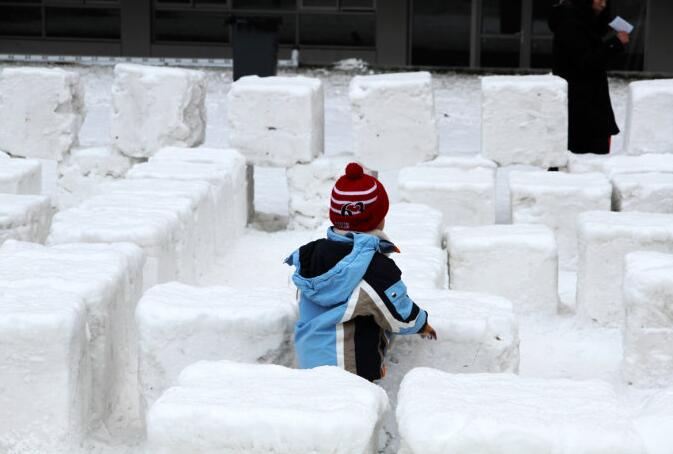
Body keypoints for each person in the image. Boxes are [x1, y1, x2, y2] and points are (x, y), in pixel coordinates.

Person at [284, 162, 436, 382]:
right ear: (379, 220)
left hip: (307, 360)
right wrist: (422, 323)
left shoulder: (310, 255)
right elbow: (399, 316)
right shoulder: (374, 268)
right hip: (349, 370)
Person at [549, 0, 630, 154]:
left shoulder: (579, 22)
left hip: (586, 103)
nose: (604, 4)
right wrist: (615, 43)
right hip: (583, 106)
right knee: (586, 158)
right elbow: (585, 61)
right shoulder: (571, 24)